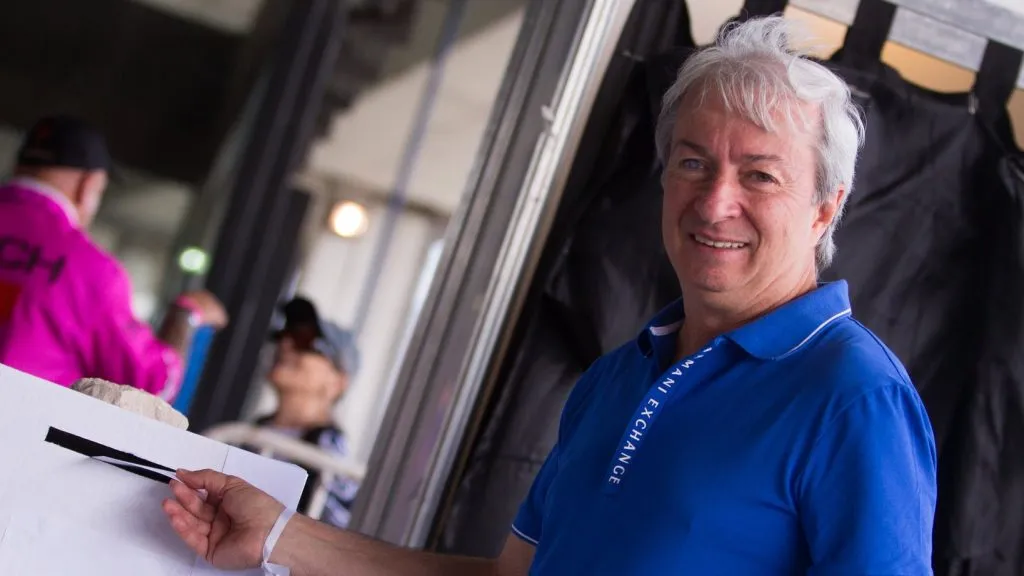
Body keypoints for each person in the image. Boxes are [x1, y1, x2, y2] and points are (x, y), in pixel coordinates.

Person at [163, 16, 937, 575]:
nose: (714, 201)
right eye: (694, 164)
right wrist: (280, 537)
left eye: (760, 175)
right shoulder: (617, 376)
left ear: (825, 207)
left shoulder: (853, 396)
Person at [0, 115, 227, 400]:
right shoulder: (90, 270)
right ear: (89, 185)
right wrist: (187, 315)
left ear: (19, 166)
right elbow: (153, 384)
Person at [255, 297, 361, 528]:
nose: (286, 345)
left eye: (306, 341)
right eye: (284, 335)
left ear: (337, 381)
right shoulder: (250, 433)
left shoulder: (332, 458)